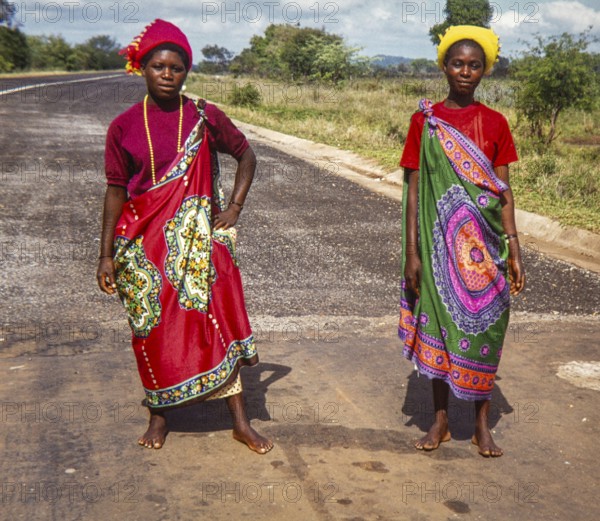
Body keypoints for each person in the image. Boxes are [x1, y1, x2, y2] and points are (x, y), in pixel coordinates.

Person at [96, 19, 273, 454]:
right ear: (142, 68)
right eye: (158, 66)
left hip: (196, 244)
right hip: (140, 246)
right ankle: (160, 416)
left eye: (177, 67)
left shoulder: (203, 116)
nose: (168, 74)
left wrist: (234, 207)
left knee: (216, 324)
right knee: (150, 329)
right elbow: (115, 191)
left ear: (187, 72)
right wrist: (105, 255)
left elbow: (245, 154)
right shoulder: (122, 126)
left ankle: (240, 422)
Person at [398, 25, 525, 457]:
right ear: (445, 67)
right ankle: (441, 422)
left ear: (485, 70)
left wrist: (514, 246)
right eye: (457, 63)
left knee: (487, 328)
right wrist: (413, 254)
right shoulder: (425, 121)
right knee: (437, 324)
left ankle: (481, 426)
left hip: (485, 247)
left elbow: (503, 191)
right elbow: (415, 190)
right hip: (436, 248)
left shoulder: (495, 123)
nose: (465, 71)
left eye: (474, 65)